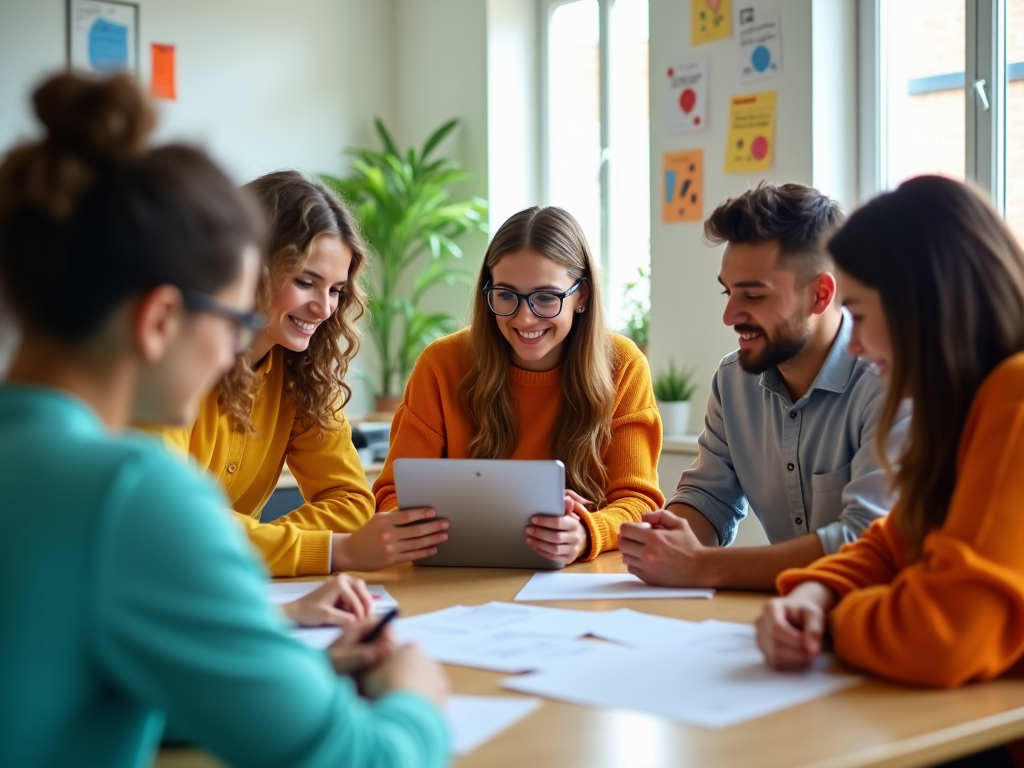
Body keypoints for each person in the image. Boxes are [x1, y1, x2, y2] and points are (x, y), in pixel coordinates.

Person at [0, 72, 448, 768]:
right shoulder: (131, 491)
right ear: (159, 321)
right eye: (236, 317)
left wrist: (281, 664)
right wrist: (416, 696)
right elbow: (360, 759)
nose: (238, 349)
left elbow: (77, 691)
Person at [755, 176, 1024, 687]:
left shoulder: (1015, 396)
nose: (852, 346)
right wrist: (815, 594)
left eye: (856, 314)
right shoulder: (964, 406)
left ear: (918, 304)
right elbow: (892, 542)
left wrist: (831, 622)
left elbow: (943, 637)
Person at [621, 182, 908, 590]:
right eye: (728, 291)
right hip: (792, 620)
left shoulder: (891, 383)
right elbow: (709, 500)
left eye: (753, 296)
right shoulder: (733, 381)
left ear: (820, 295)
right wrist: (662, 539)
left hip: (883, 621)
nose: (729, 315)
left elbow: (863, 541)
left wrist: (701, 566)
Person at [367, 206, 664, 567]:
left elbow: (638, 500)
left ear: (581, 295)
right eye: (506, 295)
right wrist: (427, 529)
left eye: (545, 297)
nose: (524, 318)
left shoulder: (623, 364)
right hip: (456, 579)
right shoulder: (441, 364)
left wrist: (587, 531)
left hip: (578, 583)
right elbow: (393, 494)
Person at [145, 171, 380, 577]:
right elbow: (174, 524)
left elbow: (352, 503)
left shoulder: (305, 374)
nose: (325, 309)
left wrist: (253, 547)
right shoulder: (170, 366)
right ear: (248, 270)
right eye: (306, 282)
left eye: (336, 290)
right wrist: (318, 550)